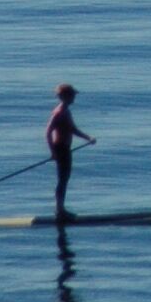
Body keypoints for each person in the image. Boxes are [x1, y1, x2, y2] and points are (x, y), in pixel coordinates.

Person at [45, 84, 95, 217]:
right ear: (65, 96)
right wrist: (53, 152)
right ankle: (60, 210)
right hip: (60, 148)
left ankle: (61, 209)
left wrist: (87, 138)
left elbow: (72, 129)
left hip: (65, 148)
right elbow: (48, 132)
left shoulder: (66, 111)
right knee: (62, 179)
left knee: (64, 179)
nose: (74, 98)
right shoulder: (59, 113)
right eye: (72, 95)